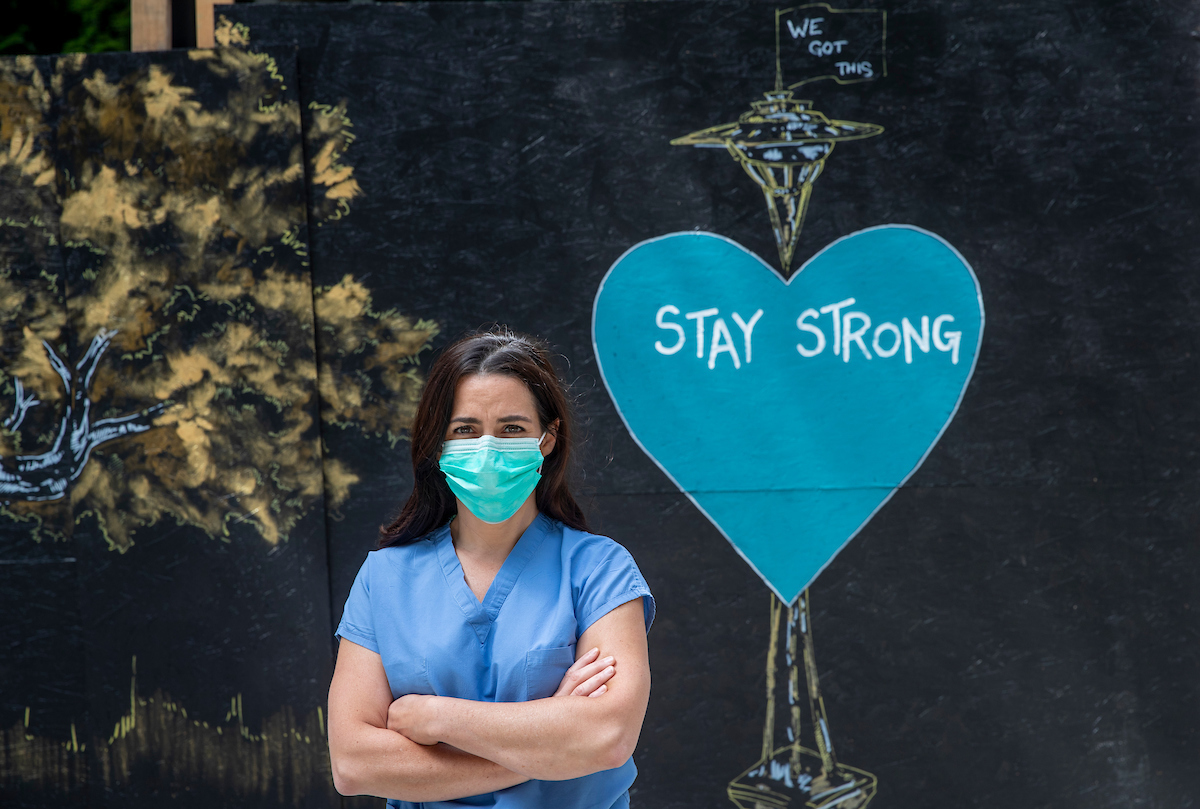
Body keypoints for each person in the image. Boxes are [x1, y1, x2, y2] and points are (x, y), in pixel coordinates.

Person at [327, 328, 655, 809]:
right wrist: (549, 741)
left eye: (511, 428)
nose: (487, 448)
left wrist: (438, 719)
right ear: (437, 442)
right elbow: (354, 765)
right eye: (465, 430)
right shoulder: (384, 579)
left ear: (548, 438)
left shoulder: (600, 571)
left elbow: (606, 738)